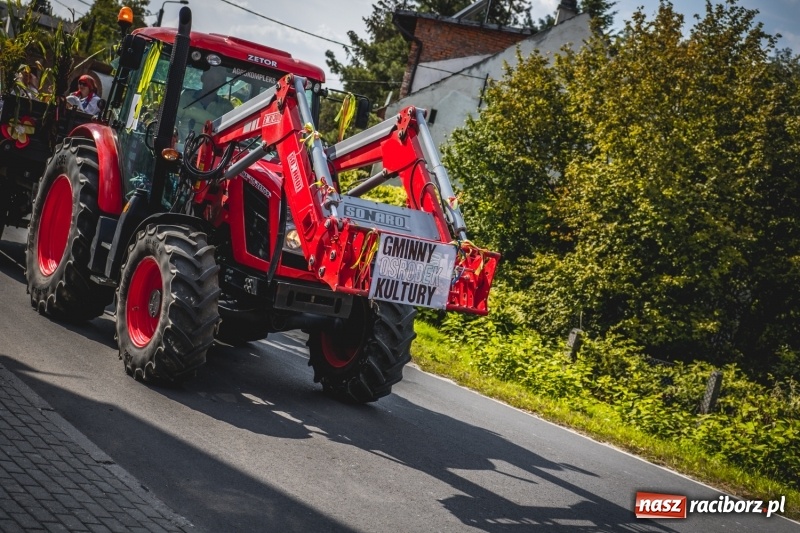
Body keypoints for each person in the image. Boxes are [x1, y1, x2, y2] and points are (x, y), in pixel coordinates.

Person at [176, 67, 234, 141]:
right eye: (210, 79)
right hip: (181, 147)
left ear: (222, 83)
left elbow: (229, 133)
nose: (213, 84)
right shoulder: (186, 96)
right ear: (202, 78)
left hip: (211, 151)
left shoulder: (226, 107)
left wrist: (193, 112)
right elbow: (173, 121)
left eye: (218, 81)